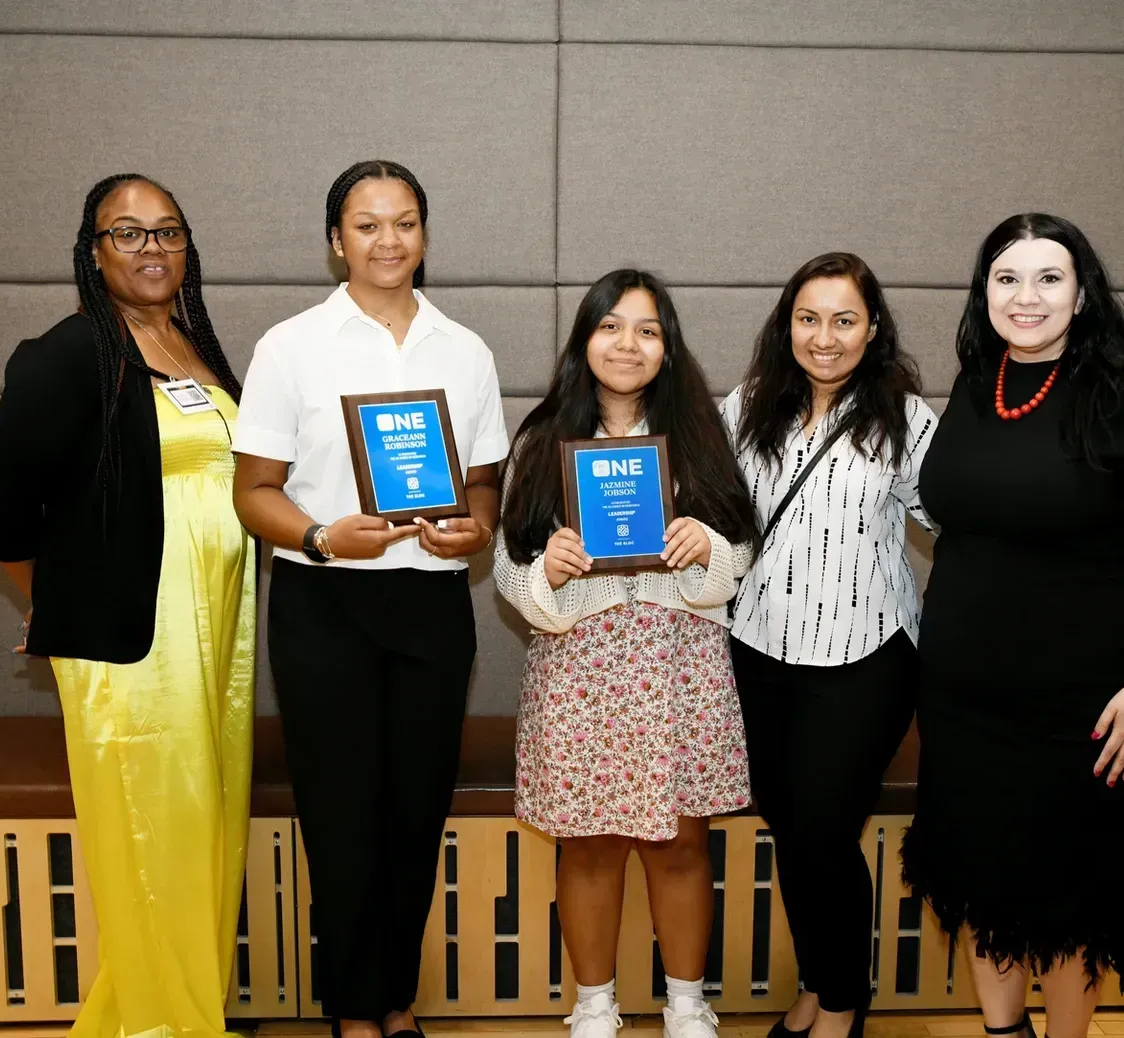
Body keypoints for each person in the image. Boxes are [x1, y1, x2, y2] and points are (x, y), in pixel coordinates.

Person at [900, 214, 1124, 1038]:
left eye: (1048, 278)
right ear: (983, 291)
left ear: (1082, 292)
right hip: (963, 696)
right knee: (979, 876)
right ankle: (1004, 1032)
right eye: (1006, 278)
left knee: (1072, 895)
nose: (1025, 297)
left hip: (1090, 704)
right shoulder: (974, 383)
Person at [230, 160, 508, 1038]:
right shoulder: (289, 346)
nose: (388, 240)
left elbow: (484, 485)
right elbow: (253, 490)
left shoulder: (465, 350)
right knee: (341, 811)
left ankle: (396, 1002)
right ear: (335, 241)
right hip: (323, 606)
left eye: (405, 222)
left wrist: (476, 530)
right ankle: (354, 1009)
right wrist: (318, 536)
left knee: (416, 808)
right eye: (367, 224)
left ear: (425, 235)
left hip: (431, 606)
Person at [0, 173, 255, 1038]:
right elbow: (5, 511)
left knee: (205, 825)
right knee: (154, 835)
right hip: (135, 643)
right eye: (127, 234)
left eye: (167, 232)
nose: (151, 250)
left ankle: (186, 1008)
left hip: (218, 641)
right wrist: (59, 601)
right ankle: (157, 1026)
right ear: (92, 253)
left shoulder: (194, 345)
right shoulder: (68, 351)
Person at [496, 269, 759, 1038]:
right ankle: (594, 1006)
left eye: (647, 330)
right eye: (611, 326)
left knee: (682, 843)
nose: (628, 344)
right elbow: (510, 568)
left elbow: (743, 552)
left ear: (668, 349)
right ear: (585, 339)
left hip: (681, 664)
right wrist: (546, 570)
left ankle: (685, 1003)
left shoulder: (705, 436)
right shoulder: (543, 440)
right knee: (588, 845)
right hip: (582, 668)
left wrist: (705, 546)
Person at [723, 252, 936, 1038]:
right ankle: (817, 984)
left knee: (822, 831)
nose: (824, 337)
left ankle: (842, 1005)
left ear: (872, 328)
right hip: (759, 650)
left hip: (866, 657)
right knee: (791, 826)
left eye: (844, 320)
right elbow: (702, 498)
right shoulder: (746, 406)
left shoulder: (908, 420)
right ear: (787, 325)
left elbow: (955, 521)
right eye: (808, 319)